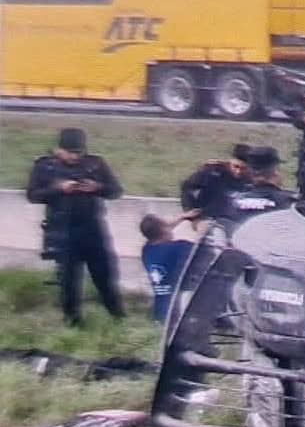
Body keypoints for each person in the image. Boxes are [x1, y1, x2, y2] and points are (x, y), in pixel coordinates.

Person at [26, 128, 125, 326]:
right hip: (62, 229)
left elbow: (116, 191)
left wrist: (97, 188)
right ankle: (73, 321)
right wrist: (58, 189)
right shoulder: (45, 166)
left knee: (104, 274)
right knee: (69, 279)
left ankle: (117, 315)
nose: (74, 157)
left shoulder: (95, 164)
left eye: (78, 153)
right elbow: (32, 195)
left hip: (92, 228)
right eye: (70, 153)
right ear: (59, 150)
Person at [138, 213, 199, 323]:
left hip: (161, 313)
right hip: (179, 311)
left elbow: (158, 232)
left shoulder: (146, 250)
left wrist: (182, 217)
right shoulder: (180, 247)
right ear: (164, 230)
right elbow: (205, 248)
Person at [179, 142, 251, 221]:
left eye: (244, 168)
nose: (238, 171)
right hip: (208, 217)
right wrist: (189, 210)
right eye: (236, 167)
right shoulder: (214, 171)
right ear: (229, 163)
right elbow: (187, 187)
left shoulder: (253, 177)